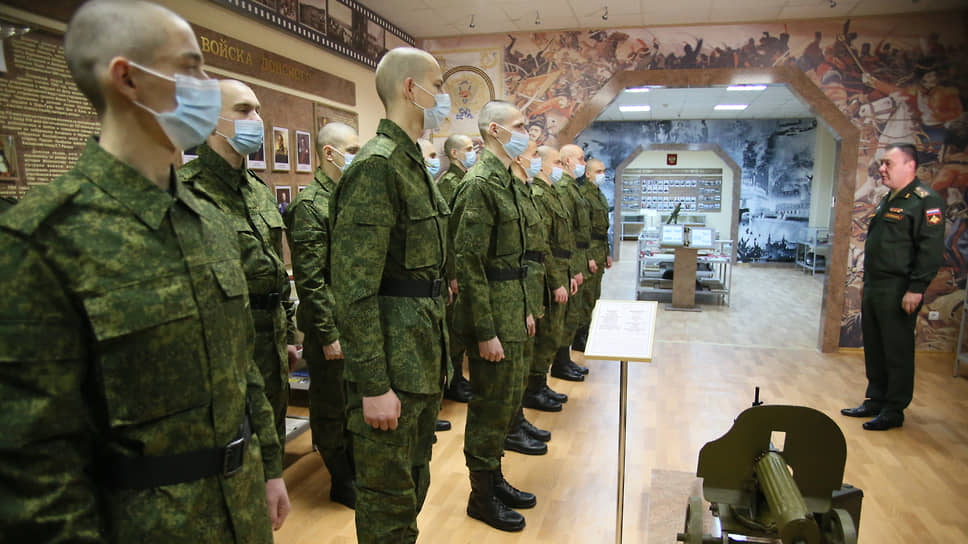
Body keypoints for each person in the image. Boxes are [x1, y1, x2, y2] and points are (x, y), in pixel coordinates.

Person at [0, 1, 289, 541]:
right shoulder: (42, 241)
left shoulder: (209, 221)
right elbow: (35, 468)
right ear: (128, 78)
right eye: (190, 68)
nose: (206, 88)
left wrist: (270, 466)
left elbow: (242, 367)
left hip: (243, 509)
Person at [328, 46, 450, 544]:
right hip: (393, 368)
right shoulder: (377, 166)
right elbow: (353, 289)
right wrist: (374, 385)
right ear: (410, 88)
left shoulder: (411, 163)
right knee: (386, 502)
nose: (442, 97)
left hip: (419, 355)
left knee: (412, 486)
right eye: (438, 86)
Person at [178, 79, 299, 452]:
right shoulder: (186, 192)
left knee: (272, 446)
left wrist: (288, 335)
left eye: (258, 110)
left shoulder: (258, 191)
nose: (257, 120)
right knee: (239, 454)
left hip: (272, 343)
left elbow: (276, 273)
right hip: (228, 351)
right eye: (244, 110)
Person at [452, 100, 537, 532]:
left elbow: (515, 260)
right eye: (519, 125)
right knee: (489, 408)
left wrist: (525, 311)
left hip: (511, 309)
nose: (526, 132)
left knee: (506, 403)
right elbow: (469, 265)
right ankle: (480, 496)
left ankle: (495, 478)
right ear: (495, 131)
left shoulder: (507, 179)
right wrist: (485, 331)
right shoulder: (479, 184)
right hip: (491, 319)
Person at [842, 143, 945, 431]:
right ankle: (875, 399)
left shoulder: (926, 201)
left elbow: (931, 249)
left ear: (910, 165)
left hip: (899, 287)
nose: (882, 169)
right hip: (876, 284)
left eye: (888, 163)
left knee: (896, 348)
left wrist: (916, 288)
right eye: (882, 163)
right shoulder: (889, 198)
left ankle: (893, 409)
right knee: (875, 346)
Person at [283, 121, 360, 508]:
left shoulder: (347, 196)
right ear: (330, 153)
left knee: (353, 399)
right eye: (353, 150)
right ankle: (340, 477)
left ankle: (353, 465)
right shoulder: (311, 205)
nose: (358, 157)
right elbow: (311, 280)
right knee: (332, 404)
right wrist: (329, 334)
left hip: (354, 319)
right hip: (329, 324)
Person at [504, 138, 552, 453]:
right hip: (511, 288)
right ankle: (510, 428)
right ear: (519, 158)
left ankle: (517, 419)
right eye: (535, 154)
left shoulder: (524, 190)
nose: (538, 160)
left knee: (521, 365)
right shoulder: (497, 188)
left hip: (527, 282)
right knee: (509, 374)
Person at [525, 145, 574, 410]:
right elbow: (543, 245)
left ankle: (540, 384)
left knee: (553, 332)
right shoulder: (539, 195)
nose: (561, 168)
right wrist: (556, 281)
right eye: (557, 162)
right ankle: (534, 389)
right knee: (545, 335)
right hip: (546, 273)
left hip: (560, 268)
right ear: (543, 165)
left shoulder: (552, 193)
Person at [439, 133, 476, 403]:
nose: (473, 152)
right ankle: (452, 380)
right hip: (455, 269)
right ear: (454, 153)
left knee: (462, 326)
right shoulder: (448, 184)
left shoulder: (465, 180)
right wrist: (452, 273)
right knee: (453, 328)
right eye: (468, 148)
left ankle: (459, 378)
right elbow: (448, 234)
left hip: (466, 265)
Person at [554, 144, 592, 380]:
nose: (584, 163)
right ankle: (560, 362)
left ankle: (565, 359)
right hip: (570, 258)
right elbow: (565, 234)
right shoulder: (564, 189)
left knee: (573, 313)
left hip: (577, 256)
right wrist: (574, 268)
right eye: (580, 159)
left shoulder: (573, 188)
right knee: (566, 315)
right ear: (567, 161)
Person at [573, 158, 613, 351]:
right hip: (589, 253)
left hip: (600, 251)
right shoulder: (584, 196)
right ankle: (579, 338)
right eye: (598, 171)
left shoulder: (600, 195)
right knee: (585, 298)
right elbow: (583, 231)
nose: (602, 175)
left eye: (603, 171)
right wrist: (588, 257)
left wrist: (607, 254)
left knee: (594, 295)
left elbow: (603, 230)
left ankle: (586, 332)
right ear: (587, 174)